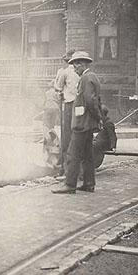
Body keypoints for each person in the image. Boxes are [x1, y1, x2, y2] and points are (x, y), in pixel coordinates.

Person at [52, 51, 101, 194]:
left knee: (73, 154)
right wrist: (96, 119)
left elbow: (91, 102)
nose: (75, 68)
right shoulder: (92, 77)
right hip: (87, 123)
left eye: (76, 65)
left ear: (82, 64)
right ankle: (89, 183)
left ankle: (70, 184)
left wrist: (96, 118)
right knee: (88, 155)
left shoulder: (86, 78)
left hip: (82, 123)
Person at [53, 49, 79, 175]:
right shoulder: (71, 72)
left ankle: (65, 166)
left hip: (72, 105)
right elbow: (58, 88)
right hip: (74, 105)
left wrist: (60, 92)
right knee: (74, 134)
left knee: (68, 135)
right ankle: (67, 166)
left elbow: (57, 87)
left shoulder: (67, 72)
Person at [92, 105, 117, 169]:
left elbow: (112, 135)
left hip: (105, 143)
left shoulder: (109, 123)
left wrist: (113, 146)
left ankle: (94, 164)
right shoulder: (100, 122)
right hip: (99, 142)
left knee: (94, 145)